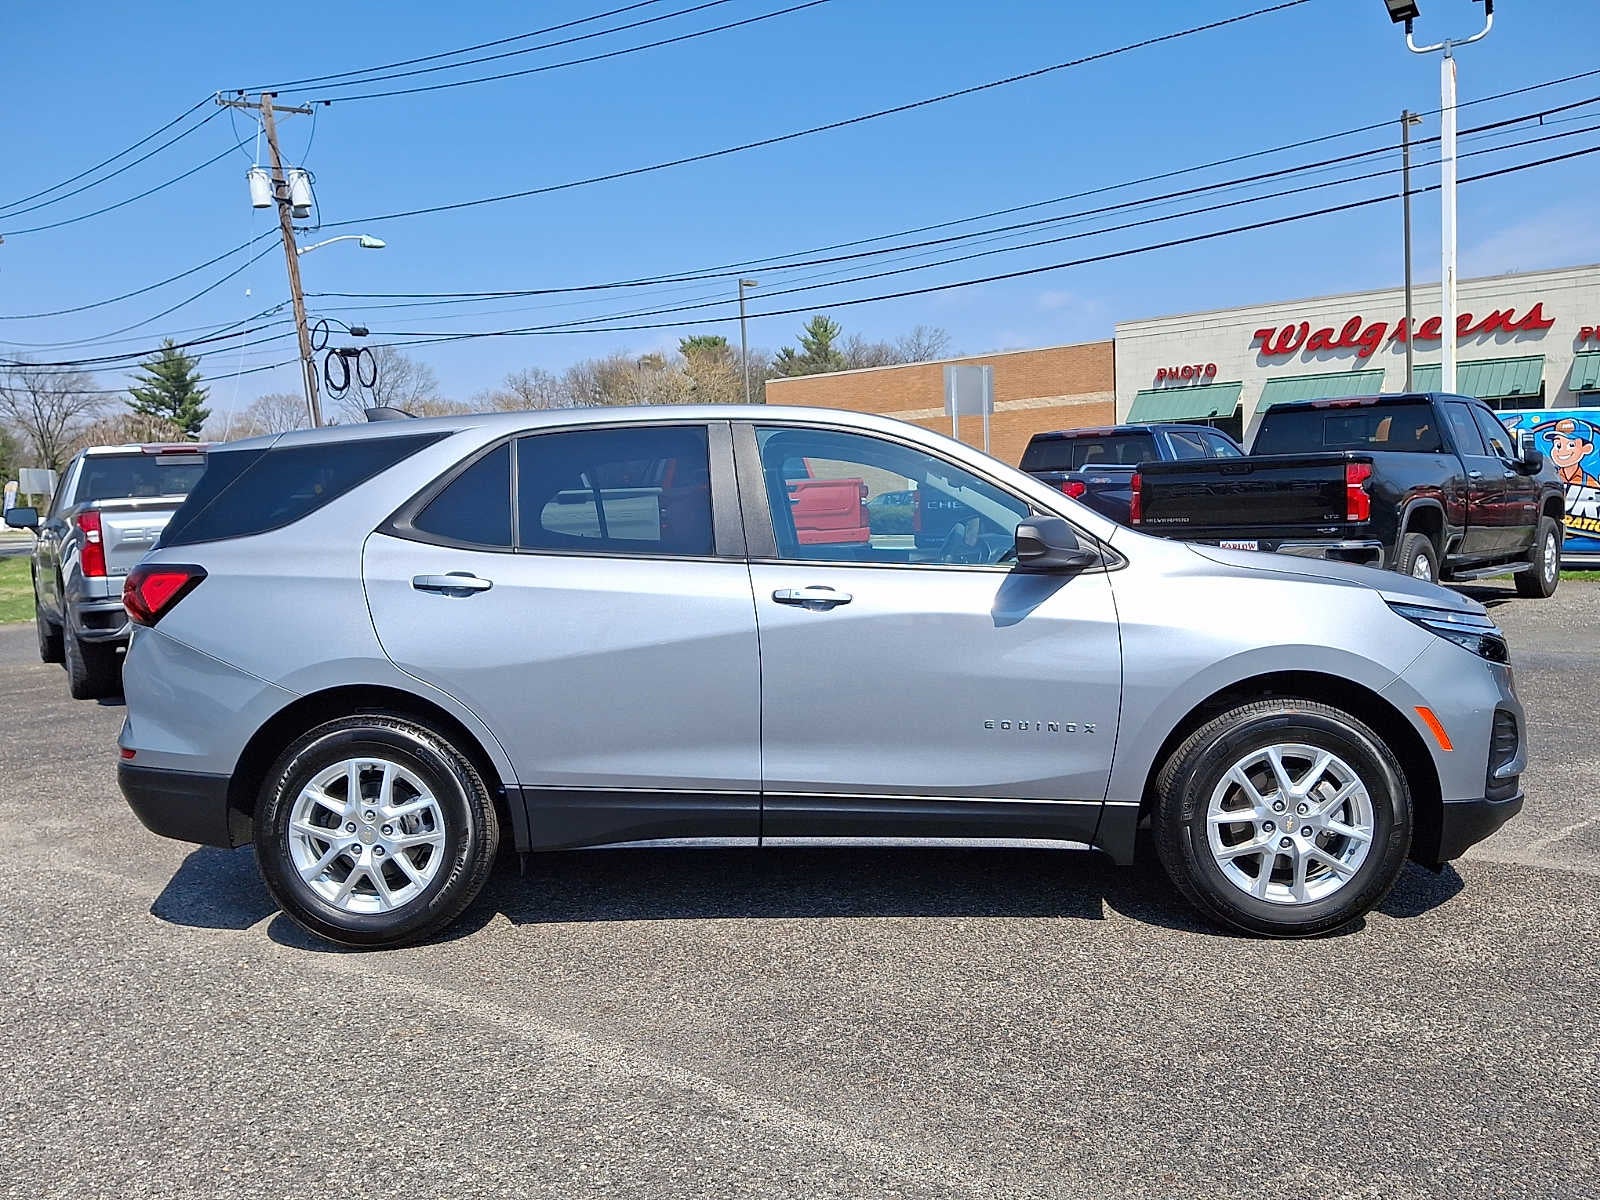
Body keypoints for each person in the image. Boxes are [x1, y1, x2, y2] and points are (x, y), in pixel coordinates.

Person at [1533, 417, 1600, 488]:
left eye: (1571, 445)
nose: (1562, 450)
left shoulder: (1590, 482)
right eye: (1558, 445)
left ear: (1586, 448)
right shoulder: (1552, 477)